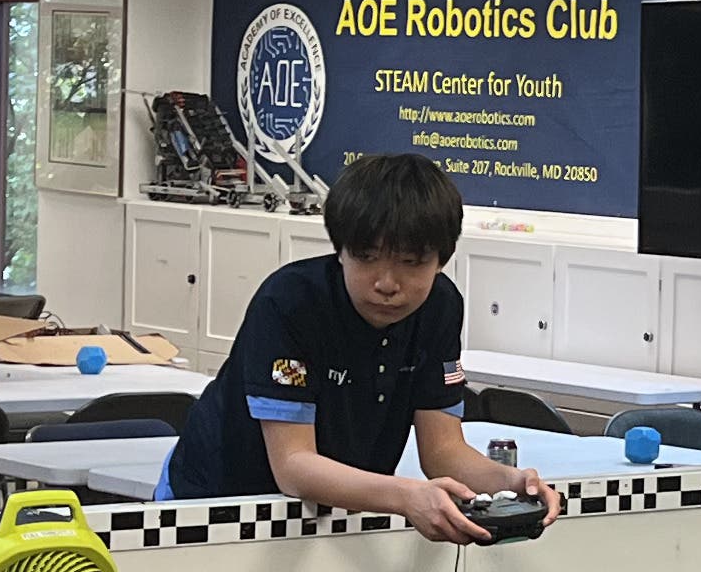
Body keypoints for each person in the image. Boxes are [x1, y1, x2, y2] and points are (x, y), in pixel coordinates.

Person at [167, 151, 558, 541]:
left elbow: (442, 451)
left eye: (411, 262)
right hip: (213, 503)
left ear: (441, 260)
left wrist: (510, 482)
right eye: (367, 257)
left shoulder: (440, 306)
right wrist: (405, 496)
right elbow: (294, 466)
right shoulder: (290, 303)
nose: (387, 283)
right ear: (340, 250)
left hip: (335, 512)